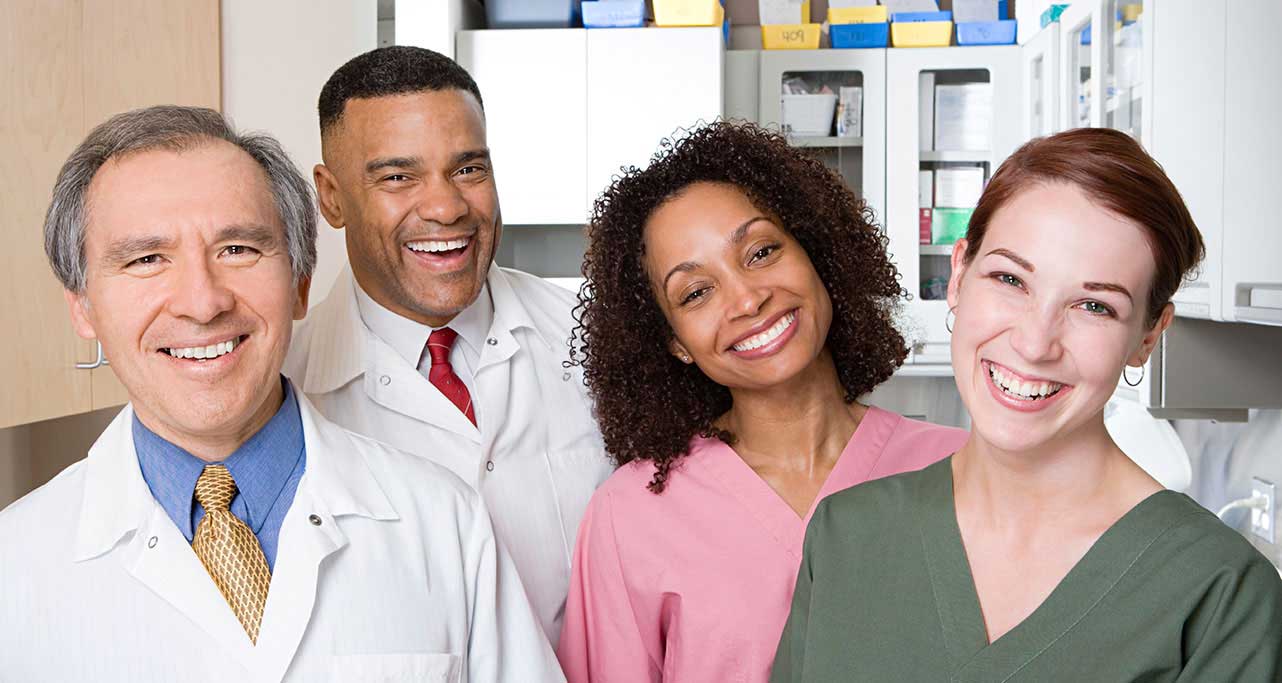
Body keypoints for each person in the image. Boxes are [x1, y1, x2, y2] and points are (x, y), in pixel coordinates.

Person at [0, 105, 562, 682]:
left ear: (299, 283)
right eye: (147, 259)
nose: (203, 301)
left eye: (238, 249)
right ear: (83, 308)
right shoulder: (14, 564)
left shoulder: (444, 521)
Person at [772, 128, 1282, 681]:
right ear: (960, 273)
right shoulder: (846, 535)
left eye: (1094, 305)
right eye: (1010, 279)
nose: (1036, 343)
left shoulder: (1220, 595)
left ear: (1148, 336)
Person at [555, 122, 967, 682]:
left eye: (761, 251)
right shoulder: (628, 515)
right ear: (675, 342)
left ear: (816, 252)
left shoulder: (963, 472)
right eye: (696, 292)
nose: (748, 299)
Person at [284, 46, 612, 644]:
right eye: (397, 177)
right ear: (331, 197)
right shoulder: (287, 391)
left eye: (468, 169)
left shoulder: (592, 339)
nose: (445, 206)